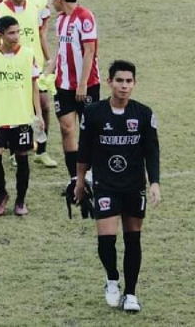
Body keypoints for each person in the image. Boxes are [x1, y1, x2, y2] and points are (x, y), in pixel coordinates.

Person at [75, 60, 161, 312]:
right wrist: (80, 180)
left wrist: (154, 182)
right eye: (119, 81)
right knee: (106, 241)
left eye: (129, 81)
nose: (124, 86)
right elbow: (84, 150)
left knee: (133, 240)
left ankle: (131, 294)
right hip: (105, 184)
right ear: (109, 82)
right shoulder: (93, 113)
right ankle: (112, 278)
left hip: (134, 186)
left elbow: (152, 152)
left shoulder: (144, 114)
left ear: (134, 83)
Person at [0, 16, 44, 216]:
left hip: (22, 117)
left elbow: (34, 87)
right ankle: (2, 193)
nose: (16, 37)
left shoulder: (28, 55)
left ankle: (21, 200)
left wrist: (38, 114)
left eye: (18, 32)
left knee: (23, 159)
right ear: (1, 35)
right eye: (11, 33)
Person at [0, 0, 57, 168]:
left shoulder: (35, 8)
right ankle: (13, 151)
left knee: (43, 106)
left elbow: (39, 35)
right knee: (14, 109)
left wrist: (47, 59)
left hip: (33, 66)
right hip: (10, 69)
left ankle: (41, 150)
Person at [48, 0, 100, 188]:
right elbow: (61, 50)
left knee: (88, 131)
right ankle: (73, 178)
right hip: (63, 85)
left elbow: (89, 52)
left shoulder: (85, 17)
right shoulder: (60, 20)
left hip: (86, 85)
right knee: (66, 128)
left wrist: (82, 84)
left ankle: (89, 176)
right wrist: (48, 71)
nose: (52, 3)